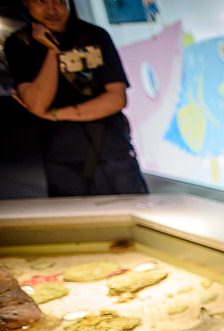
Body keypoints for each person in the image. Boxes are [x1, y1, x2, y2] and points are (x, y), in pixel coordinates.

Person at [4, 0, 147, 196]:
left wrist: (56, 114)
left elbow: (116, 99)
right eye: (42, 1)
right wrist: (52, 52)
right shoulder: (19, 44)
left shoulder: (95, 35)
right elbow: (37, 103)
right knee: (78, 221)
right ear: (26, 3)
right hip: (62, 155)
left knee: (131, 210)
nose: (52, 9)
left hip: (112, 150)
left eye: (59, 1)